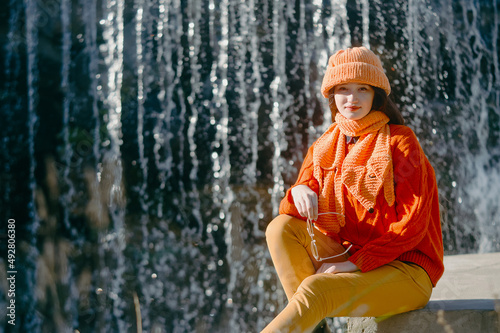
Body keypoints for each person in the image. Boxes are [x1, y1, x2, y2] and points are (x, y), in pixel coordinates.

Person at [261, 47, 444, 333]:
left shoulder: (400, 141)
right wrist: (298, 191)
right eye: (343, 88)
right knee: (279, 228)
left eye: (363, 89)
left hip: (406, 271)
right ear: (332, 94)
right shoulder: (325, 145)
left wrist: (356, 263)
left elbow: (413, 224)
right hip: (350, 255)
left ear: (377, 95)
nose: (352, 99)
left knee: (317, 288)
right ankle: (314, 326)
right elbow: (293, 208)